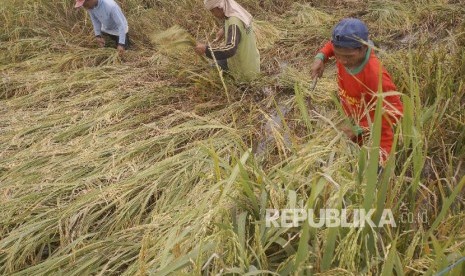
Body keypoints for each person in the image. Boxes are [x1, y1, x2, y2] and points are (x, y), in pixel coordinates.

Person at [311, 18, 403, 167]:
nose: (342, 61)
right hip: (353, 119)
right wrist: (321, 57)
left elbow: (395, 111)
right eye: (338, 55)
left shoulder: (375, 75)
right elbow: (331, 46)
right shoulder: (344, 51)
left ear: (363, 48)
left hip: (377, 134)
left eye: (348, 57)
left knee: (373, 174)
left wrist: (360, 128)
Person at [194, 0, 260, 82]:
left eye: (212, 11)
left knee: (213, 68)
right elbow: (237, 27)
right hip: (253, 62)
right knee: (216, 64)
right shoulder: (237, 12)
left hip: (245, 73)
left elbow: (230, 50)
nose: (213, 15)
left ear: (220, 7)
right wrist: (225, 29)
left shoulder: (233, 24)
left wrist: (206, 49)